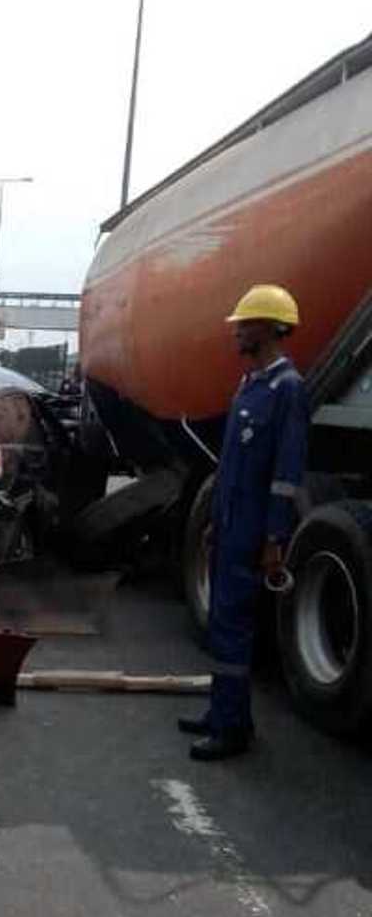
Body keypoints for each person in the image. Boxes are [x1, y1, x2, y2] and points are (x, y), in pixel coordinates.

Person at [180, 285, 310, 761]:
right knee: (220, 622)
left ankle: (231, 729)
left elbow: (286, 473)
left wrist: (275, 537)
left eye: (243, 324)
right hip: (230, 523)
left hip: (254, 529)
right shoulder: (249, 386)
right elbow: (231, 465)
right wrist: (214, 520)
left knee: (234, 626)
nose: (235, 331)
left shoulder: (287, 390)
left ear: (267, 328)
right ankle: (222, 713)